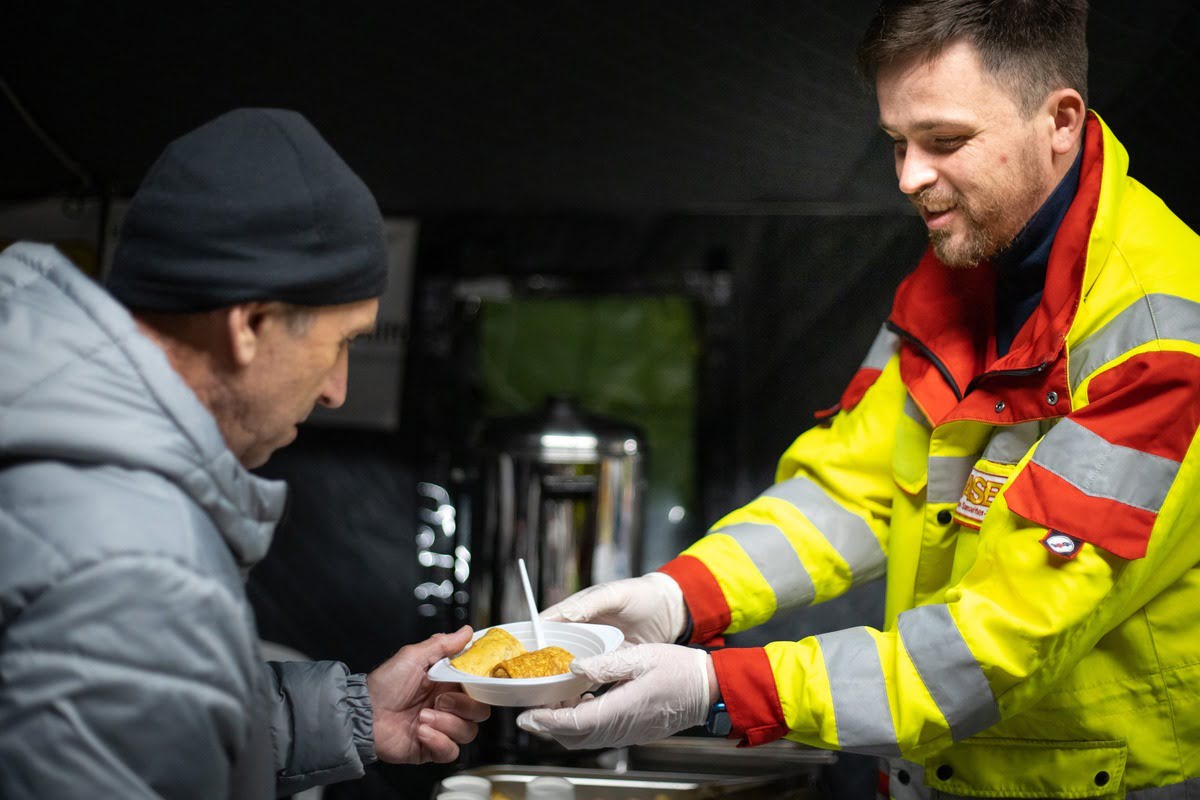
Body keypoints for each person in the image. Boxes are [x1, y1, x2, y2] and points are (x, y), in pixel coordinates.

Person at [517, 1, 1200, 797]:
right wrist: (678, 596)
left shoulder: (1159, 348)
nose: (910, 178)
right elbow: (854, 489)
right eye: (897, 143)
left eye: (944, 142)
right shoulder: (962, 268)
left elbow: (995, 644)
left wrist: (719, 691)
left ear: (1060, 120)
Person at [0, 108, 489, 798]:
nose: (337, 391)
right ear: (251, 325)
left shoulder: (62, 461)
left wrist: (352, 716)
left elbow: (152, 722)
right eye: (340, 342)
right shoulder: (134, 563)